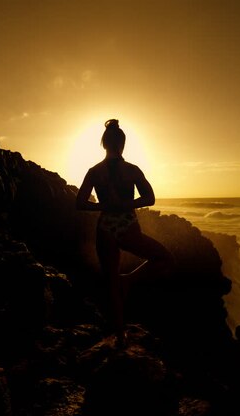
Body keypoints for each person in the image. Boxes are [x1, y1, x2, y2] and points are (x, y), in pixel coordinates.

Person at [76, 119, 174, 346]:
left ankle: (120, 335)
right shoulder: (131, 170)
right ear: (123, 144)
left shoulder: (94, 172)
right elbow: (150, 198)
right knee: (166, 258)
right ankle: (129, 280)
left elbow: (80, 203)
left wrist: (104, 206)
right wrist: (125, 204)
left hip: (105, 227)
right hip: (128, 225)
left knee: (111, 283)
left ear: (104, 144)